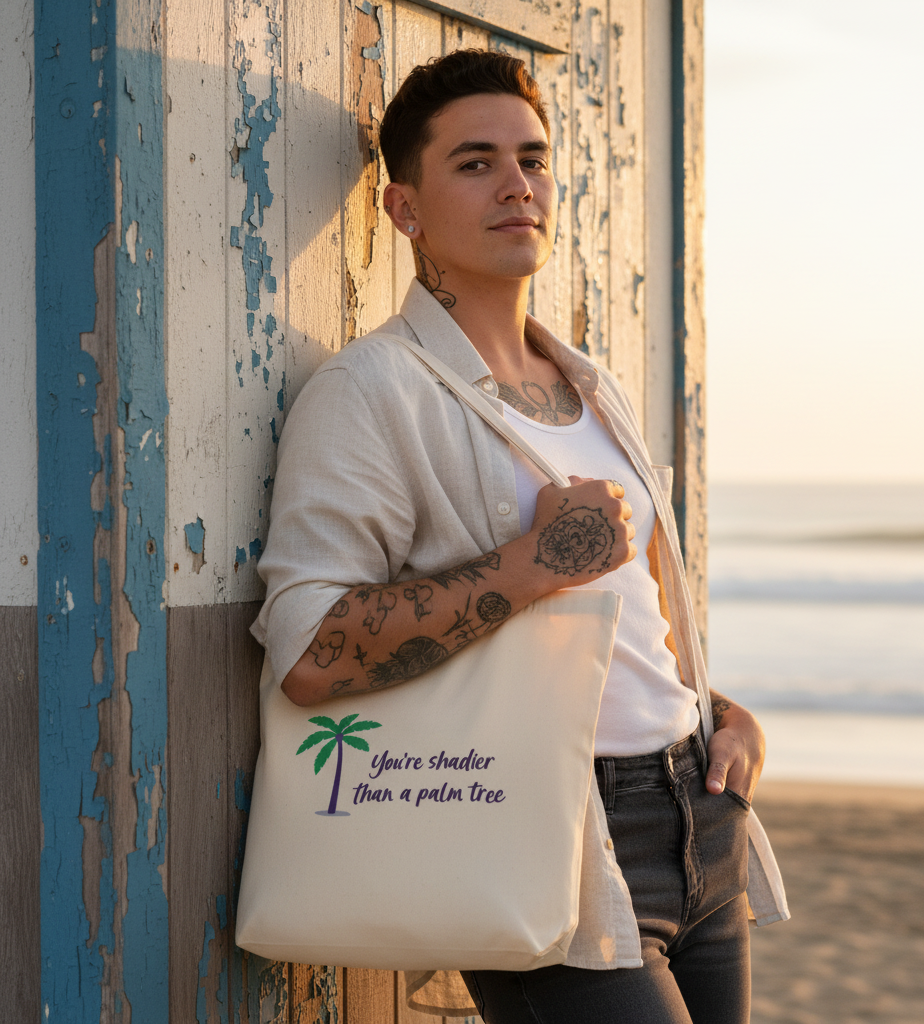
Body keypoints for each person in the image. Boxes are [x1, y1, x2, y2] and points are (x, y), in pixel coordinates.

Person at [253, 48, 787, 1024]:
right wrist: (531, 564)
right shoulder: (372, 392)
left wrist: (711, 708)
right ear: (402, 207)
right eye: (474, 161)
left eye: (533, 158)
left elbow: (626, 624)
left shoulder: (594, 386)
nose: (517, 183)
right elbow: (308, 652)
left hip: (698, 816)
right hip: (547, 829)